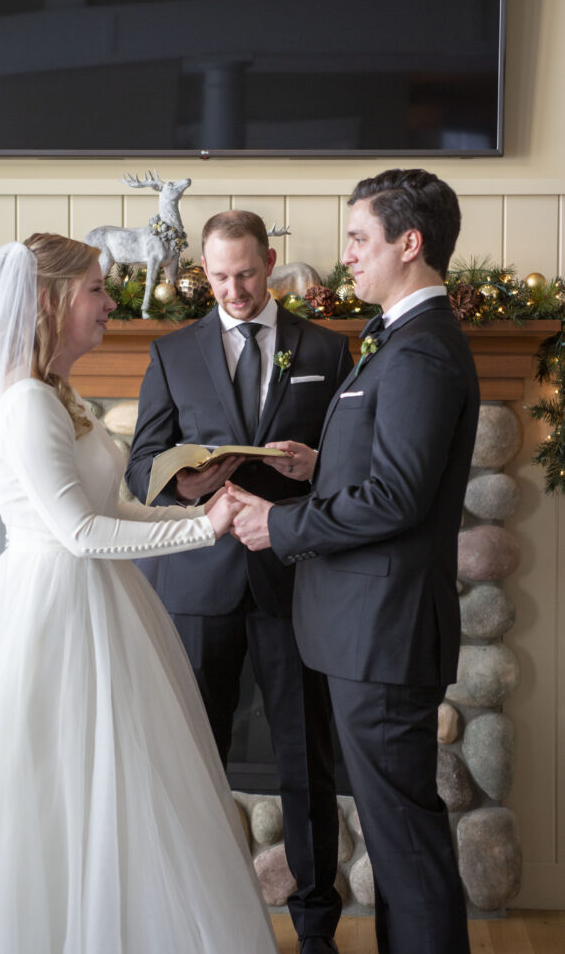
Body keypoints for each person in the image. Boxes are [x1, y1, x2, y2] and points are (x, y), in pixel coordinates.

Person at [0, 233, 280, 953]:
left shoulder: (60, 397)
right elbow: (79, 534)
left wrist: (205, 515)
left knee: (118, 792)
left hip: (101, 604)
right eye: (95, 289)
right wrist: (203, 531)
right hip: (51, 610)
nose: (110, 302)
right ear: (50, 302)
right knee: (51, 791)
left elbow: (116, 509)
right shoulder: (25, 405)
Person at [229, 170, 479, 954]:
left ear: (410, 244)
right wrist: (321, 463)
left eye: (359, 239)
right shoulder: (401, 340)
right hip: (367, 631)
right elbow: (390, 470)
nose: (347, 255)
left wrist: (285, 523)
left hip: (383, 635)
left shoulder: (421, 351)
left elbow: (400, 498)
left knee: (403, 841)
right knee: (398, 829)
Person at [125, 211, 353, 954]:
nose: (234, 290)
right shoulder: (171, 351)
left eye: (247, 274)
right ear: (204, 272)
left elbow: (351, 463)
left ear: (270, 261)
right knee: (192, 758)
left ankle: (317, 928)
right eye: (219, 277)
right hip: (197, 581)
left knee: (306, 759)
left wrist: (310, 466)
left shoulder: (326, 349)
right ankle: (191, 921)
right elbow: (141, 466)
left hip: (293, 578)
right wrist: (188, 485)